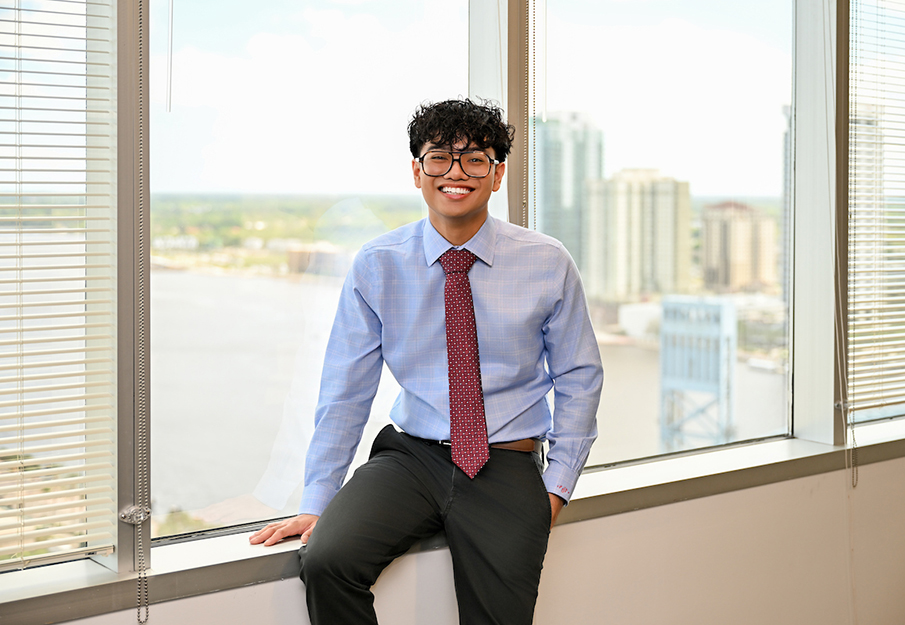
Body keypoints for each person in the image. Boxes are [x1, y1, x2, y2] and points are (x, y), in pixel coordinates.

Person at [250, 98, 603, 625]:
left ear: (498, 174)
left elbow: (579, 376)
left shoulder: (547, 261)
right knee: (326, 561)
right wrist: (317, 497)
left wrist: (557, 486)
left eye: (475, 160)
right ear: (417, 171)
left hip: (505, 463)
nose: (455, 173)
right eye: (439, 157)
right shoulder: (378, 264)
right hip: (410, 458)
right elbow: (346, 390)